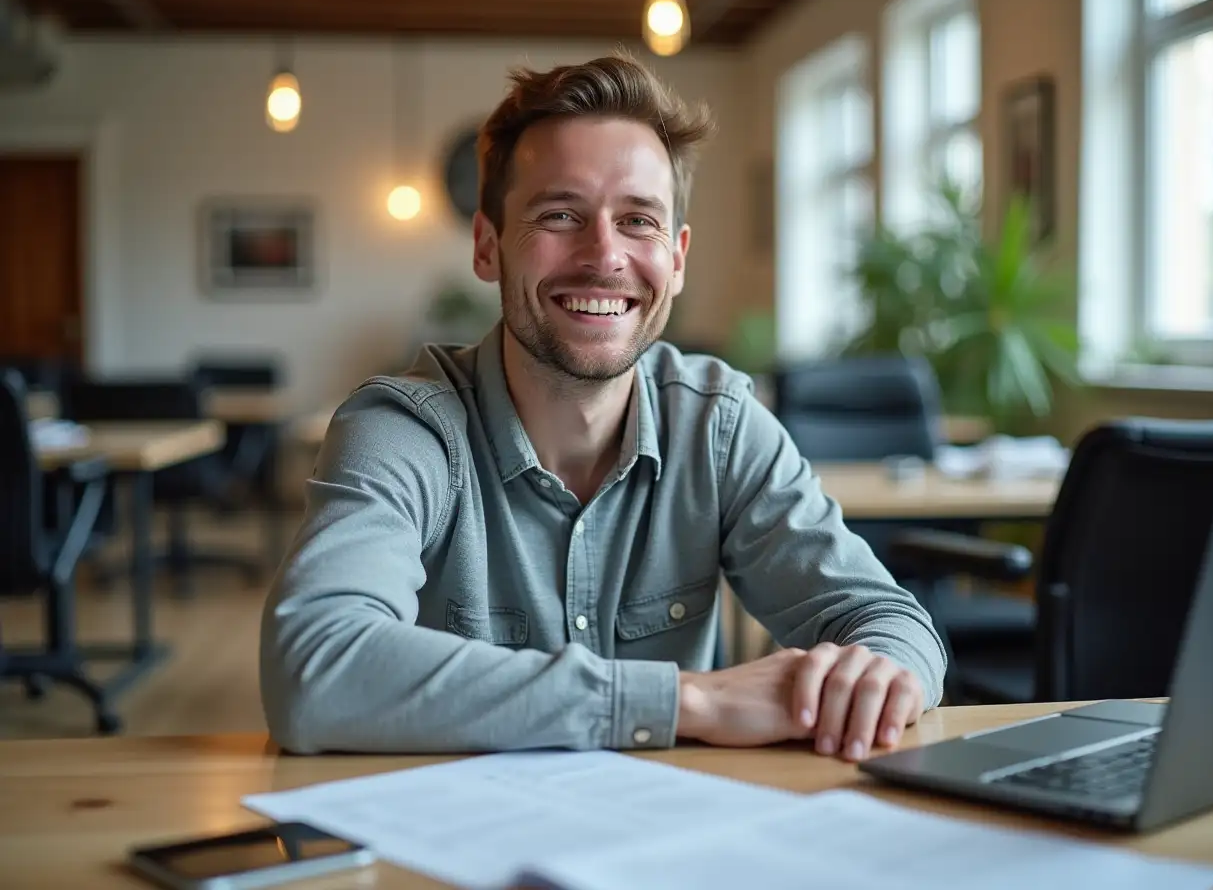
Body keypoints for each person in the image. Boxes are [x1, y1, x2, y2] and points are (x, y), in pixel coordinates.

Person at [260, 53, 947, 762]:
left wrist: (880, 674)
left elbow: (892, 623)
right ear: (488, 246)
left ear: (676, 259)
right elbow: (313, 670)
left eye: (638, 221)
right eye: (561, 214)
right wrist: (690, 701)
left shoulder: (717, 424)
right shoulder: (403, 431)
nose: (604, 256)